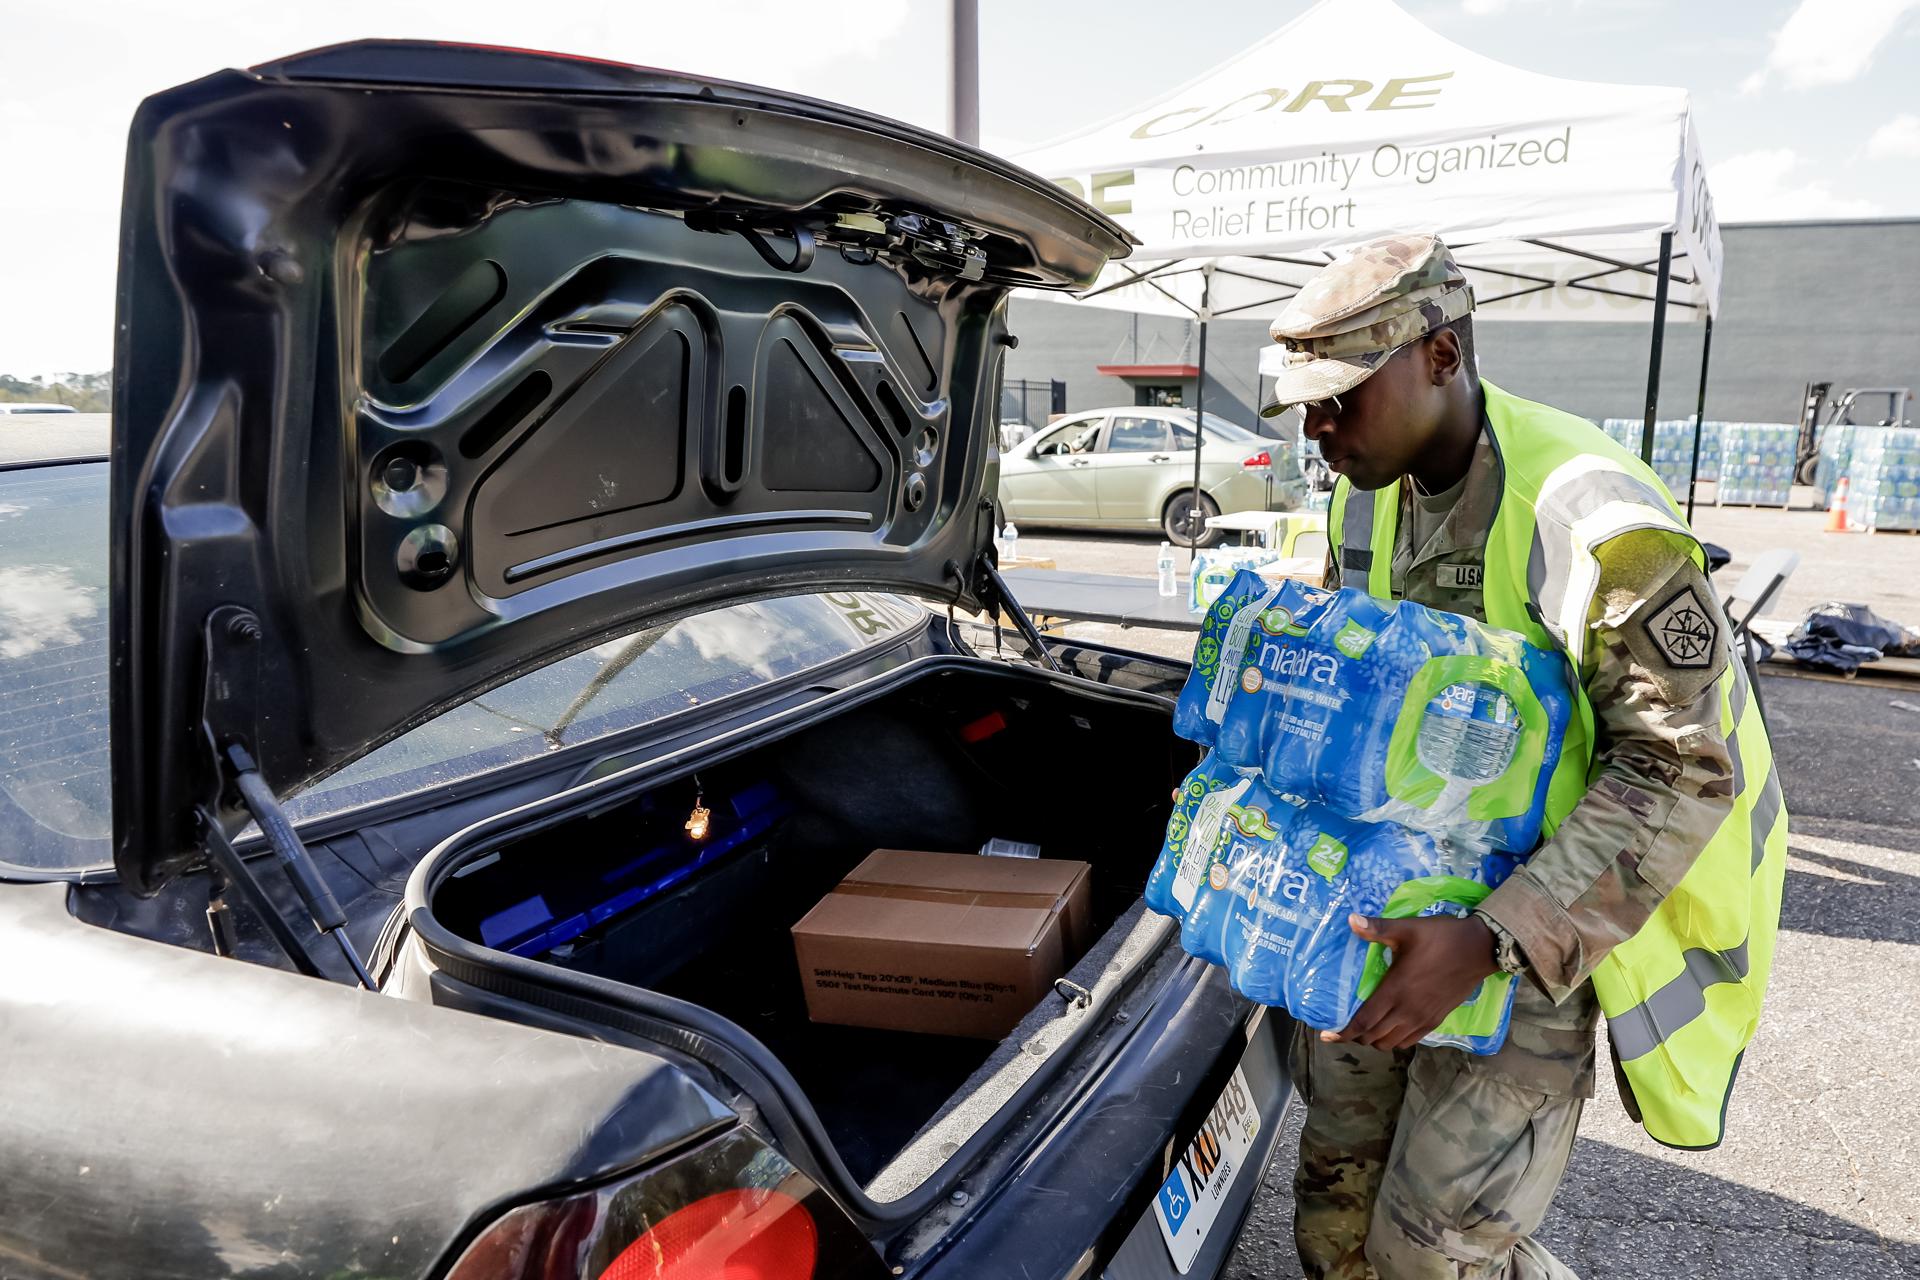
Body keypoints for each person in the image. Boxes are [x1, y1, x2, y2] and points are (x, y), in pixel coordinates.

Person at [1258, 233, 1787, 1280]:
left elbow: (1680, 768)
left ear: (1443, 356)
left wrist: (1491, 937)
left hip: (1552, 911)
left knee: (1436, 1252)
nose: (1316, 430)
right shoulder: (1362, 486)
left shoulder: (1598, 523)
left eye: (1341, 396)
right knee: (1332, 1215)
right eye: (1303, 407)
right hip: (1396, 899)